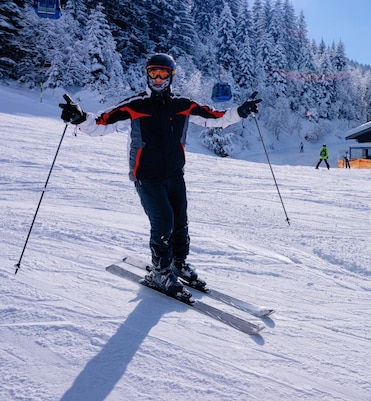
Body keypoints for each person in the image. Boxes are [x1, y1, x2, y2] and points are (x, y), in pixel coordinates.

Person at [58, 53, 261, 299]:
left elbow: (216, 118)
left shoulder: (182, 104)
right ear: (147, 75)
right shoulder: (137, 105)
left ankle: (178, 263)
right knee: (163, 222)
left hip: (175, 174)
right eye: (153, 73)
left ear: (171, 76)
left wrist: (241, 111)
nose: (157, 79)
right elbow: (101, 123)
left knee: (180, 221)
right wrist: (80, 118)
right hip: (147, 176)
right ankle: (160, 272)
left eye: (163, 74)